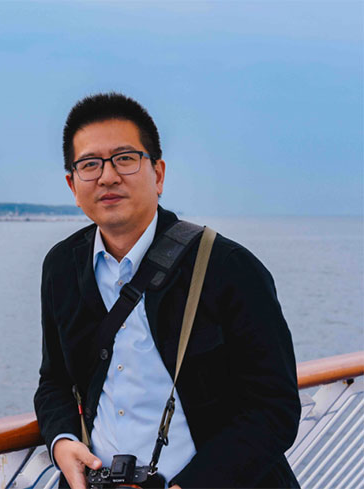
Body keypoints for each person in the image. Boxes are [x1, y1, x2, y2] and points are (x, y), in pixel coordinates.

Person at [33, 92, 300, 489]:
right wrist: (62, 442)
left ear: (157, 174)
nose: (107, 176)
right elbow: (54, 381)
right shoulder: (62, 267)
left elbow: (274, 408)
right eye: (89, 165)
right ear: (73, 185)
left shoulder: (228, 267)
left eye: (125, 158)